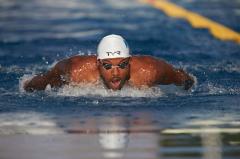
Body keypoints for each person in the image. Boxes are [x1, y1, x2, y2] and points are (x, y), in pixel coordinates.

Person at [24, 34, 194, 92]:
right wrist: (27, 86)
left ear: (130, 62)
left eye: (121, 65)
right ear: (98, 65)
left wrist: (189, 83)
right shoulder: (77, 71)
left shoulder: (149, 70)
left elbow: (183, 79)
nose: (115, 72)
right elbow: (45, 80)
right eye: (107, 65)